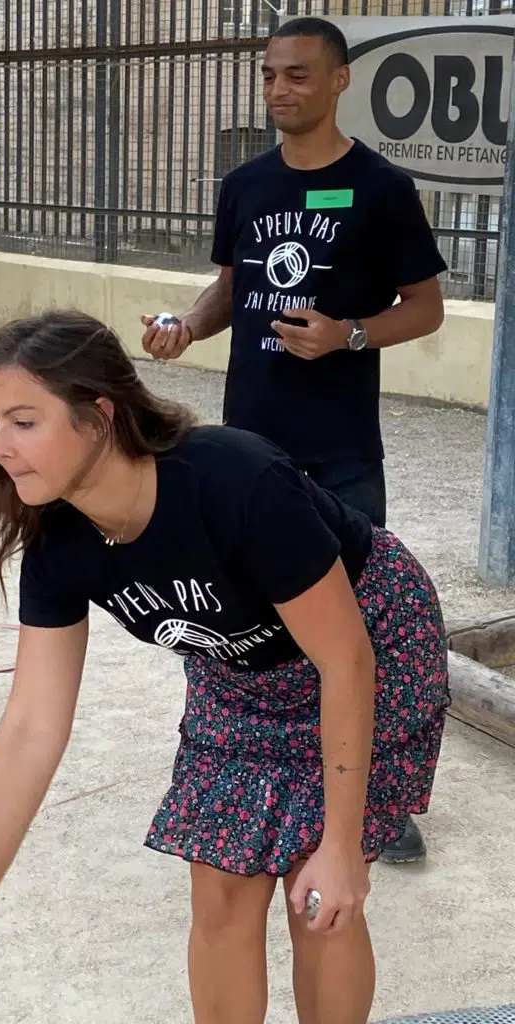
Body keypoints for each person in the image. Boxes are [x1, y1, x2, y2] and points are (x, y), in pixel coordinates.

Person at [0, 310, 450, 1024]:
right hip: (239, 674)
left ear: (100, 416)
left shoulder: (235, 480)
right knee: (219, 888)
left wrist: (341, 846)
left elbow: (345, 661)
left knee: (320, 899)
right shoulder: (61, 545)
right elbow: (31, 726)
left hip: (370, 643)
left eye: (24, 422)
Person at [140, 16, 448, 863]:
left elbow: (425, 307)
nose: (280, 90)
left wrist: (348, 334)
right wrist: (186, 326)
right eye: (271, 75)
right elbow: (231, 287)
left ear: (341, 80)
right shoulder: (245, 182)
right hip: (250, 450)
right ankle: (260, 769)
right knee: (252, 616)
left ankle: (381, 796)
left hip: (341, 449)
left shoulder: (382, 188)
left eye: (299, 76)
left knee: (358, 623)